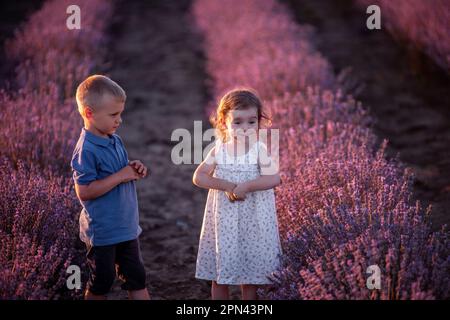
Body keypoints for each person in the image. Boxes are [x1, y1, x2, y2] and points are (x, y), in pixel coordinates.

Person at [193, 88, 282, 300]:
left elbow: (274, 178)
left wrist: (247, 186)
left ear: (260, 122)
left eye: (251, 122)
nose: (245, 128)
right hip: (225, 220)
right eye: (238, 122)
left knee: (249, 276)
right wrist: (225, 185)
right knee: (219, 274)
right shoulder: (219, 149)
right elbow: (199, 177)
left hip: (252, 220)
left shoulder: (259, 149)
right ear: (224, 122)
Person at [71, 74, 150, 300]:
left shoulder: (113, 138)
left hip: (126, 226)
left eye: (120, 114)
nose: (119, 120)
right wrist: (120, 176)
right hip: (103, 232)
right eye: (114, 115)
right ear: (89, 113)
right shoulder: (85, 150)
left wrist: (132, 168)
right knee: (101, 283)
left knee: (137, 277)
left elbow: (118, 171)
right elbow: (84, 191)